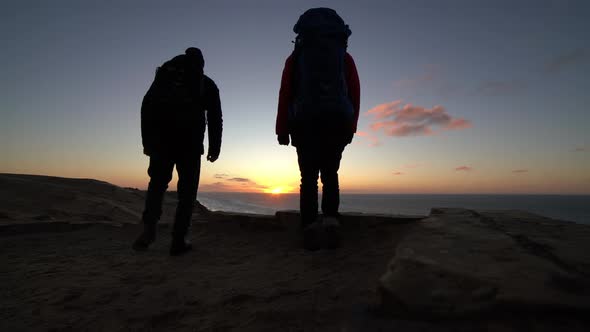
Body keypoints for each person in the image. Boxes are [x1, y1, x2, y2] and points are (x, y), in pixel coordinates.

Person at [276, 8, 360, 250]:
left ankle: (310, 227)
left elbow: (286, 93)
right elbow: (354, 92)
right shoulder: (344, 58)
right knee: (331, 174)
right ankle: (332, 221)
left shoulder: (296, 58)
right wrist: (351, 126)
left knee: (308, 178)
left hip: (305, 123)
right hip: (337, 122)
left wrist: (282, 128)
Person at [133, 47, 222, 256]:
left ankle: (148, 232)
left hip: (160, 143)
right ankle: (179, 239)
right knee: (187, 193)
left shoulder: (163, 78)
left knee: (156, 186)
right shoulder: (206, 83)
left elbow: (146, 107)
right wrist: (214, 147)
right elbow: (215, 118)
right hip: (189, 145)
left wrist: (147, 141)